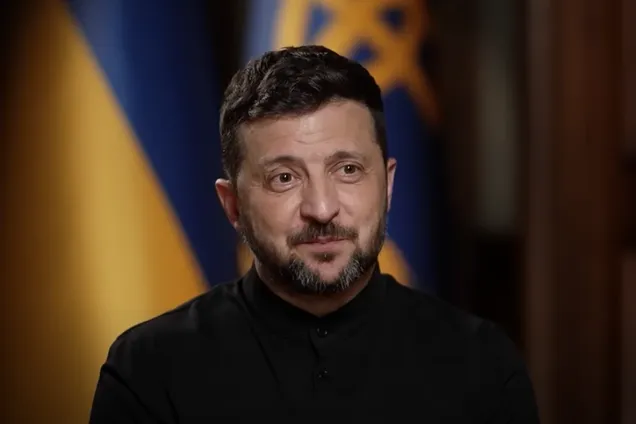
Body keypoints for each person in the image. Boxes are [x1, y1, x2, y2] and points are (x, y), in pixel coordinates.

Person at [89, 45, 540, 423]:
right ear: (233, 205)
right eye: (284, 178)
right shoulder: (149, 370)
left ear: (388, 185)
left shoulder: (482, 365)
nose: (322, 209)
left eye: (348, 170)